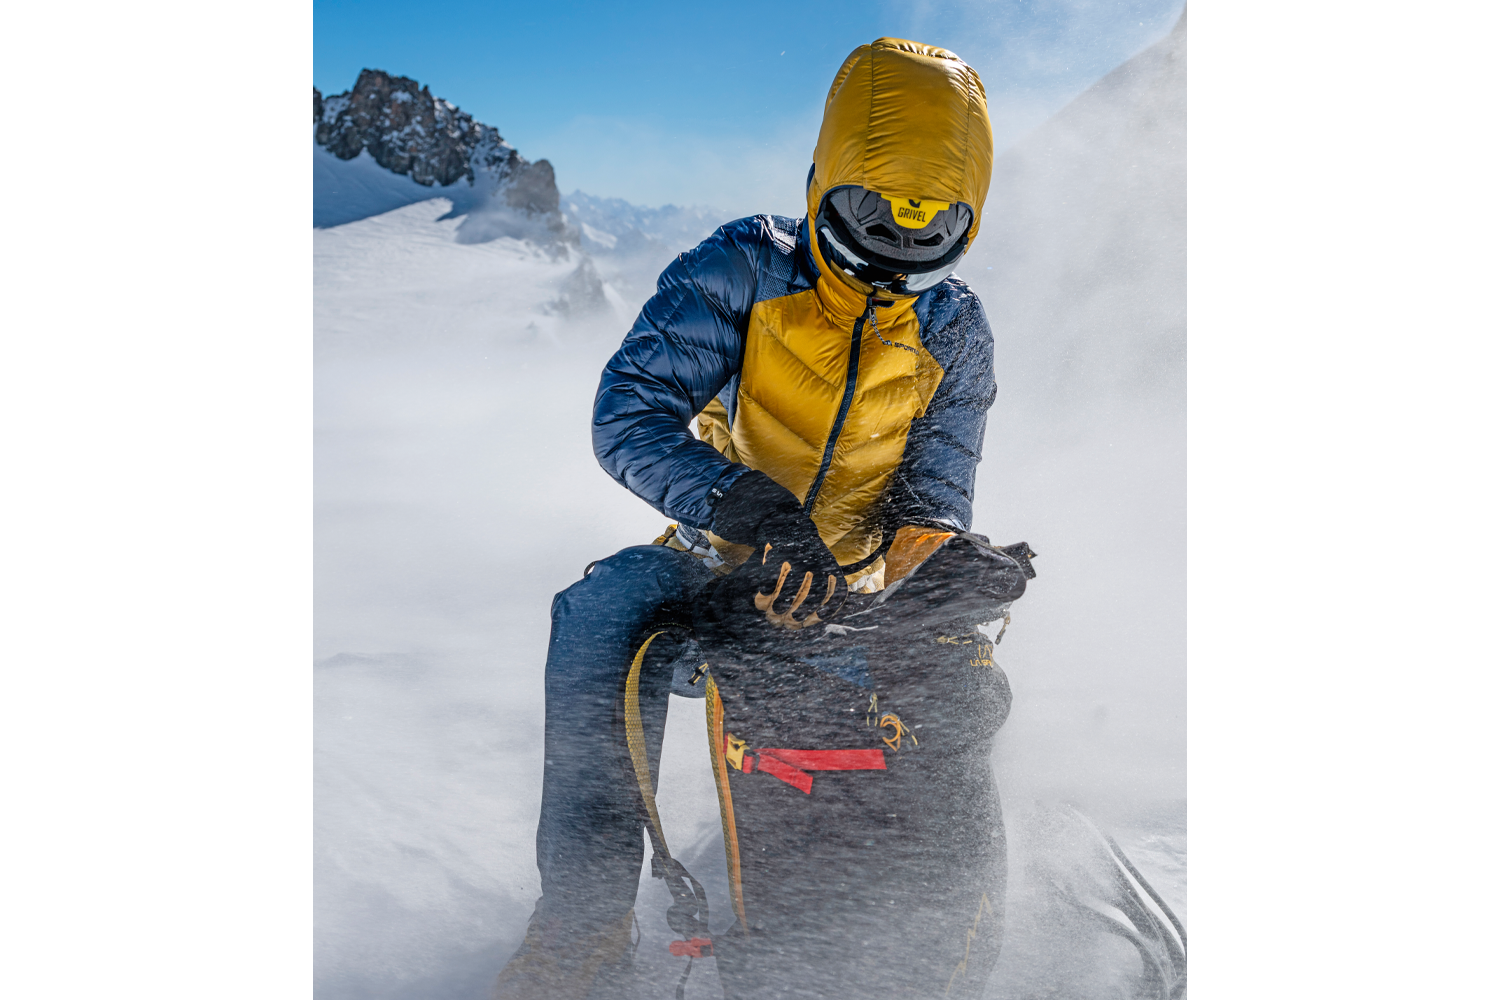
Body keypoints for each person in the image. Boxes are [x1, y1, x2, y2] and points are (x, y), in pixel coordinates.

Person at [495, 38, 1011, 1000]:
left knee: (956, 686)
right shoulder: (744, 269)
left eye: (935, 221)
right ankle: (581, 931)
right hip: (711, 561)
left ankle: (912, 940)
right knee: (603, 616)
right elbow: (629, 415)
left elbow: (934, 495)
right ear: (824, 182)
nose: (899, 248)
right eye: (871, 214)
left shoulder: (952, 329)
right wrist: (747, 508)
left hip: (849, 591)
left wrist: (941, 568)